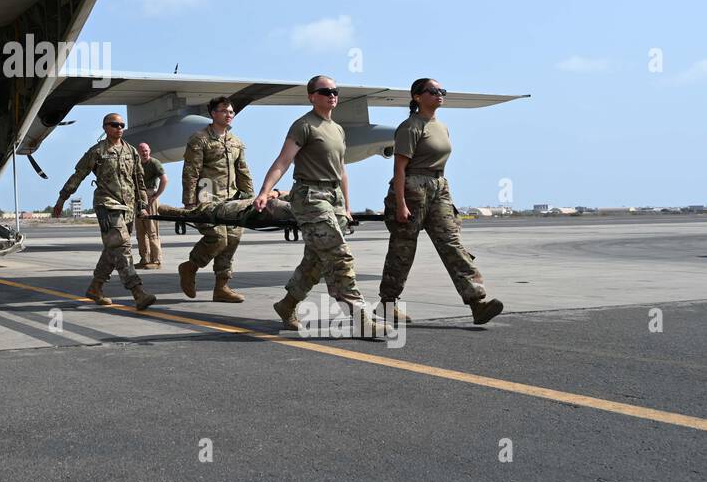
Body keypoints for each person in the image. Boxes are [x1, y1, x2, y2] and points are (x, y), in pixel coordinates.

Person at [254, 76, 384, 334]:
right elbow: (283, 161)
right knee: (338, 255)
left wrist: (347, 205)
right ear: (312, 96)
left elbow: (342, 169)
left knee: (316, 260)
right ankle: (360, 318)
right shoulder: (303, 126)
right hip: (310, 196)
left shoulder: (337, 129)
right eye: (325, 91)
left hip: (333, 196)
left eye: (335, 91)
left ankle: (287, 304)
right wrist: (264, 192)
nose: (332, 95)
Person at [380, 78, 504, 325]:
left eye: (442, 91)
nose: (439, 95)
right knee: (403, 249)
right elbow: (399, 168)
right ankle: (387, 304)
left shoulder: (441, 126)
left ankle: (477, 302)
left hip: (439, 186)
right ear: (417, 97)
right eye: (433, 91)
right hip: (413, 187)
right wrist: (401, 203)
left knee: (452, 243)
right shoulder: (410, 126)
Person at [53, 113, 156, 311]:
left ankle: (95, 288)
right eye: (114, 124)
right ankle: (138, 293)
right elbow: (79, 174)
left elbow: (139, 181)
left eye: (122, 125)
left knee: (112, 251)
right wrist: (62, 199)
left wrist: (142, 205)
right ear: (105, 127)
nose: (119, 128)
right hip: (107, 205)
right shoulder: (97, 151)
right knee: (123, 247)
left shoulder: (131, 151)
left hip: (127, 207)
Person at [178, 96, 252, 303]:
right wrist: (189, 201)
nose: (229, 115)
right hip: (207, 198)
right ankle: (189, 267)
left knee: (232, 240)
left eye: (231, 112)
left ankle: (222, 287)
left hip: (233, 200)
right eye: (224, 111)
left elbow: (243, 171)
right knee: (218, 239)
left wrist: (251, 199)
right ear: (213, 114)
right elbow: (191, 171)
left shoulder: (236, 141)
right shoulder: (200, 138)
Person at [134, 142, 168, 269]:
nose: (144, 153)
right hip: (138, 198)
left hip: (149, 196)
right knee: (140, 231)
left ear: (149, 151)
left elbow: (164, 180)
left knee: (152, 230)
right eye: (142, 150)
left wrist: (156, 196)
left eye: (146, 150)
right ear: (138, 151)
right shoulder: (136, 164)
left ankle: (156, 260)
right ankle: (145, 259)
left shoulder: (154, 163)